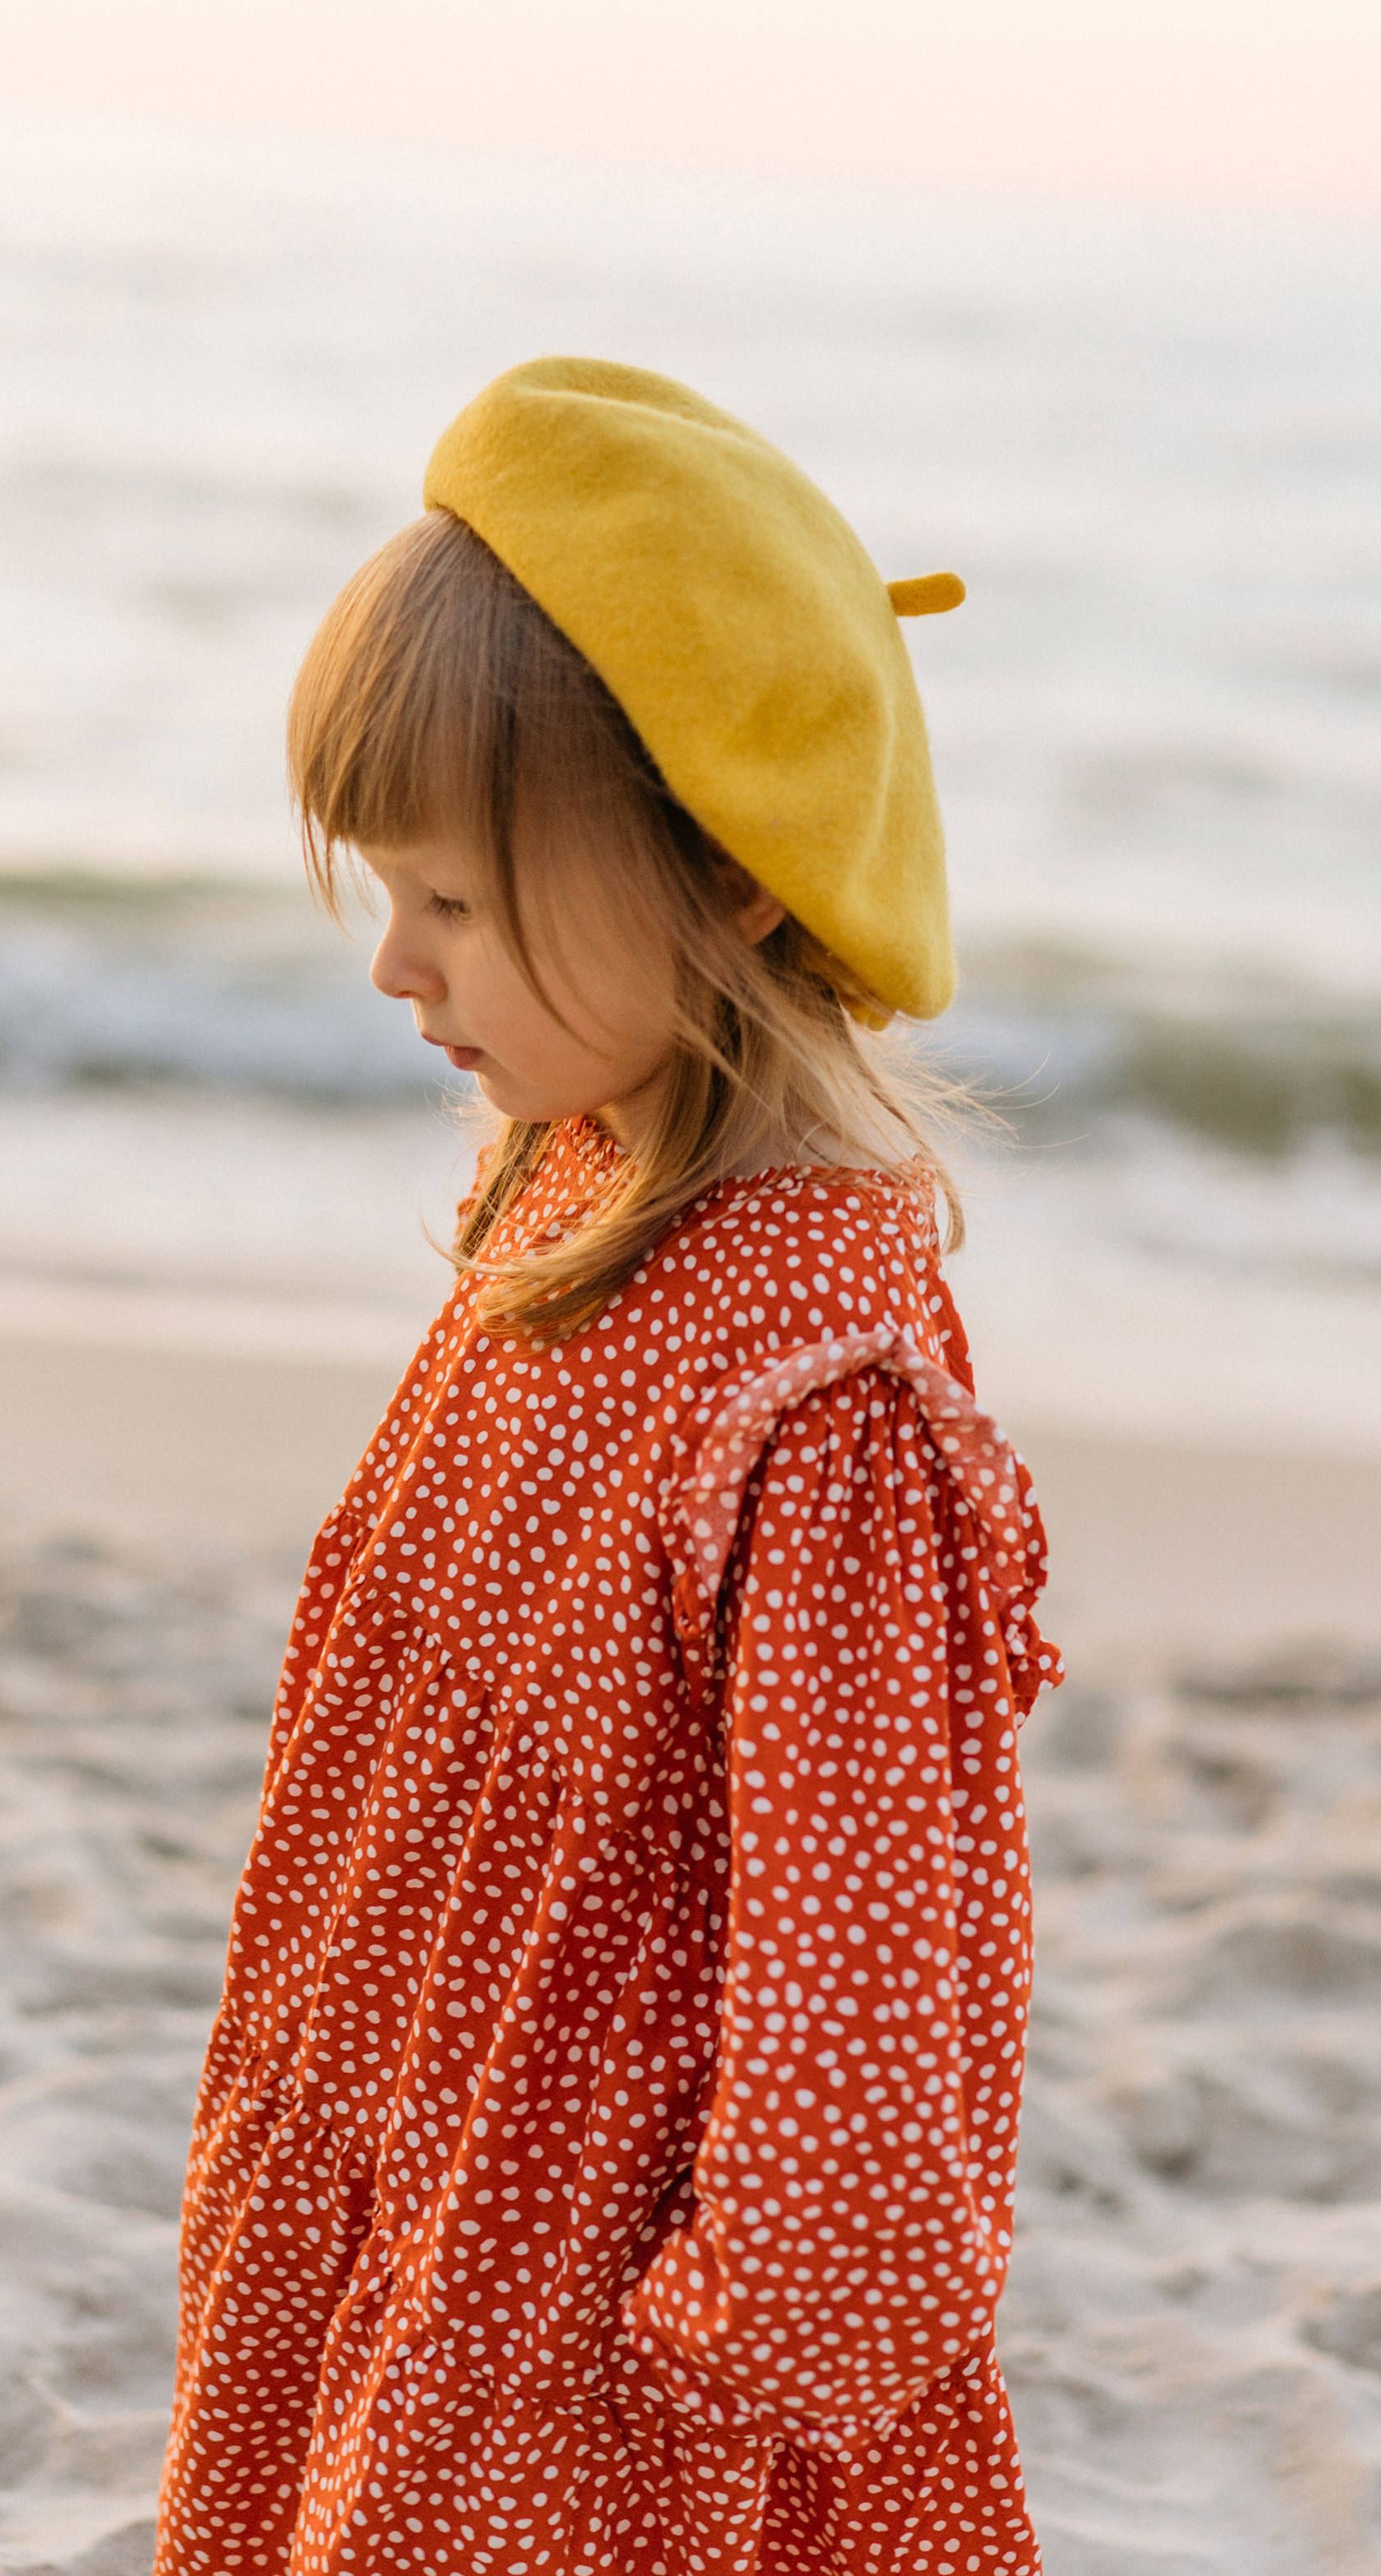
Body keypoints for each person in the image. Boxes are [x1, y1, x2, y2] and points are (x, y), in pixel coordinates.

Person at [156, 360, 1060, 2576]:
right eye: (387, 891)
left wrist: (738, 2329)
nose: (394, 965)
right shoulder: (577, 1183)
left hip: (588, 2313)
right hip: (403, 2148)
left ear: (731, 878)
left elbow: (869, 1961)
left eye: (453, 903)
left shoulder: (825, 1389)